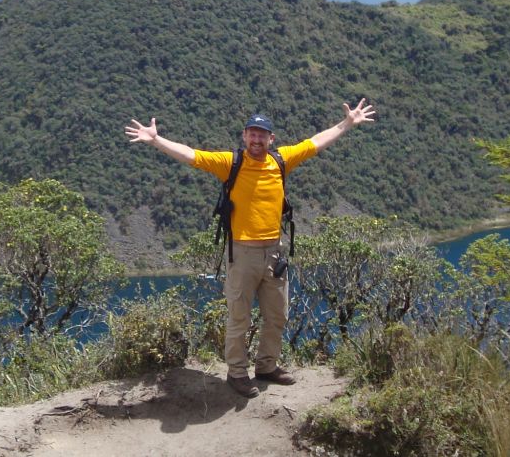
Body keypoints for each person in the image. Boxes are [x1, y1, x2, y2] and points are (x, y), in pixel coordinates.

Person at [125, 99, 376, 398]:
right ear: (244, 137)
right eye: (252, 134)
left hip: (274, 250)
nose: (257, 139)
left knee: (277, 314)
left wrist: (347, 124)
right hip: (241, 253)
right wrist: (156, 140)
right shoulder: (230, 163)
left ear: (271, 139)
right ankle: (237, 373)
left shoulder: (282, 160)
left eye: (262, 135)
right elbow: (192, 156)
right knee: (239, 317)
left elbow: (316, 142)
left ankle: (267, 366)